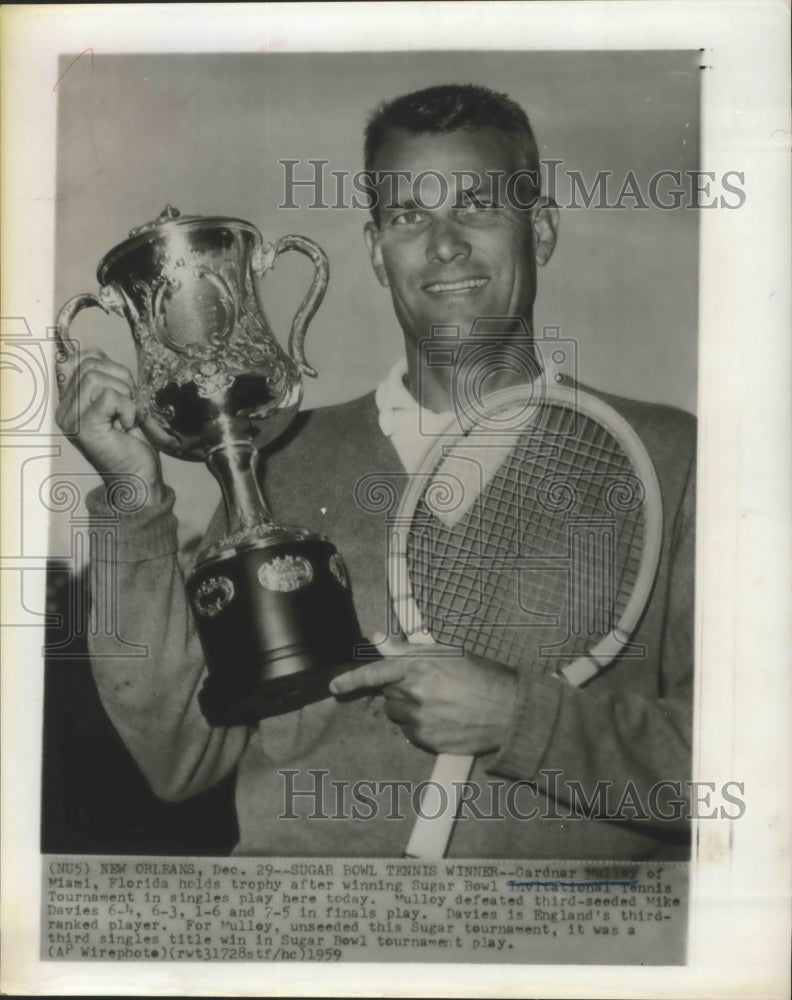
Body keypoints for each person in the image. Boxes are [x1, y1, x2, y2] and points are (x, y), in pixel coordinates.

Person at [55, 84, 695, 859]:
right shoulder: (271, 463)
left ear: (543, 230)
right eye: (408, 217)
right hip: (305, 952)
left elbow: (751, 768)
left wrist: (519, 719)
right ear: (374, 250)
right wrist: (132, 495)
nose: (445, 244)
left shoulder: (671, 458)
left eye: (478, 206)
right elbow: (180, 758)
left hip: (557, 959)